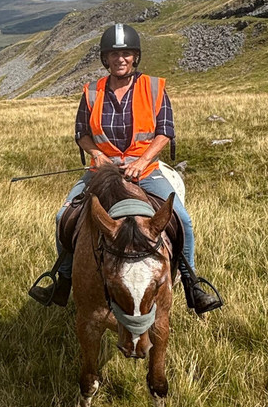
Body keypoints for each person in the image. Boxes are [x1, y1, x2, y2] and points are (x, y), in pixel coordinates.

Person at [28, 23, 221, 315]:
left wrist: (142, 161)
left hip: (145, 170)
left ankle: (192, 283)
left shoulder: (154, 87)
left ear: (135, 57)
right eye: (114, 54)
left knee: (182, 218)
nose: (120, 59)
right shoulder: (92, 91)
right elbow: (82, 132)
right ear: (105, 59)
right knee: (62, 216)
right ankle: (63, 279)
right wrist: (96, 154)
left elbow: (164, 131)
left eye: (127, 53)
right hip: (102, 171)